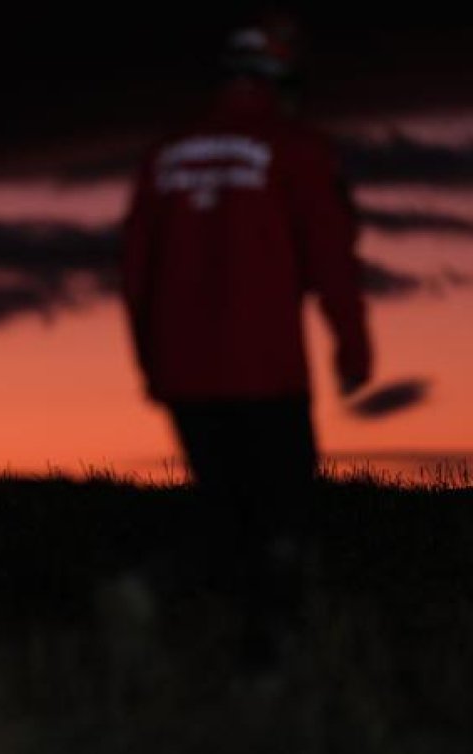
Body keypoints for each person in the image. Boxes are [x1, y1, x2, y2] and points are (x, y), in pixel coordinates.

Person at [120, 16, 373, 668]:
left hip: (182, 369)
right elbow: (330, 257)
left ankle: (159, 595)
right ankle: (267, 658)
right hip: (266, 369)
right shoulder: (296, 146)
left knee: (226, 507)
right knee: (280, 517)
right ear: (284, 80)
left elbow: (135, 269)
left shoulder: (165, 153)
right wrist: (353, 348)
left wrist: (152, 363)